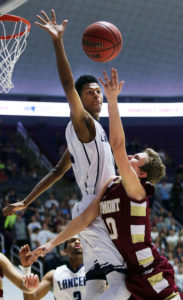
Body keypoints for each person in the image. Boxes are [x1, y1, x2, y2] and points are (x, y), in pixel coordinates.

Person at [3, 9, 130, 300]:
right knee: (124, 281)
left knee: (97, 280)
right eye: (90, 92)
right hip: (97, 210)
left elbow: (57, 172)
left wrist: (26, 200)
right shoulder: (83, 123)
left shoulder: (85, 132)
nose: (97, 95)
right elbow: (66, 85)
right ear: (80, 99)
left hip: (89, 210)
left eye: (99, 92)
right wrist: (58, 42)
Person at [28, 69, 183, 299]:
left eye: (137, 158)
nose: (131, 157)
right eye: (134, 155)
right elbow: (83, 219)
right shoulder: (112, 185)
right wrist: (50, 244)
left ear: (142, 173)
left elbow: (117, 146)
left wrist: (112, 100)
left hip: (151, 271)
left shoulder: (136, 190)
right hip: (131, 275)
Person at [20, 236, 86, 300]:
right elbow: (32, 298)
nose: (77, 242)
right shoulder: (53, 274)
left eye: (81, 241)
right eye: (72, 241)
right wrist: (26, 268)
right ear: (65, 250)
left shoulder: (94, 271)